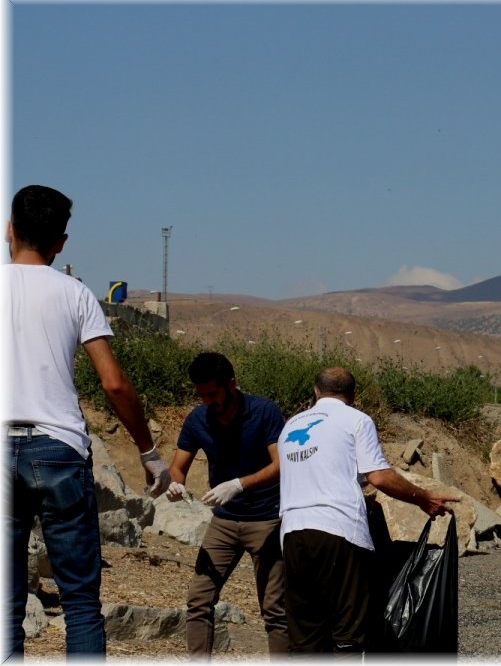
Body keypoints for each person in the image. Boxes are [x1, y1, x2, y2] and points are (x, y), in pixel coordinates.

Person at [3, 185, 173, 659]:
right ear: (61, 243)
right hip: (57, 448)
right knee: (79, 602)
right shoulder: (75, 294)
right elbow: (114, 384)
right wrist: (148, 451)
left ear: (8, 231)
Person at [277, 366, 459, 655]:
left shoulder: (291, 425)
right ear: (353, 395)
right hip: (338, 531)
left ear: (315, 391)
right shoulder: (356, 420)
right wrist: (424, 498)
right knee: (348, 632)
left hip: (292, 532)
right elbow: (379, 476)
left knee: (305, 633)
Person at [165, 352, 288, 659]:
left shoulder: (264, 411)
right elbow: (178, 465)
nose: (207, 401)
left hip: (268, 519)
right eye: (201, 395)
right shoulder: (197, 418)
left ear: (231, 384)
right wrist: (175, 483)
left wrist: (239, 484)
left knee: (275, 608)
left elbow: (281, 464)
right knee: (199, 599)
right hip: (224, 522)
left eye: (213, 394)